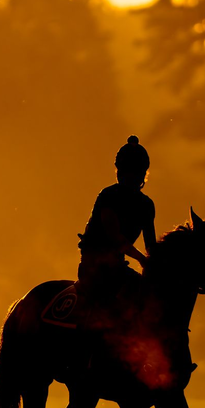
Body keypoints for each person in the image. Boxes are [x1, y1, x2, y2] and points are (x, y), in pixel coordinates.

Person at [77, 135, 156, 315]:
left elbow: (152, 248)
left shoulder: (147, 205)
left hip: (119, 270)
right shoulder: (108, 196)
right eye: (131, 171)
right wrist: (141, 259)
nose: (134, 176)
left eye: (136, 172)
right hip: (93, 269)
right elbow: (114, 237)